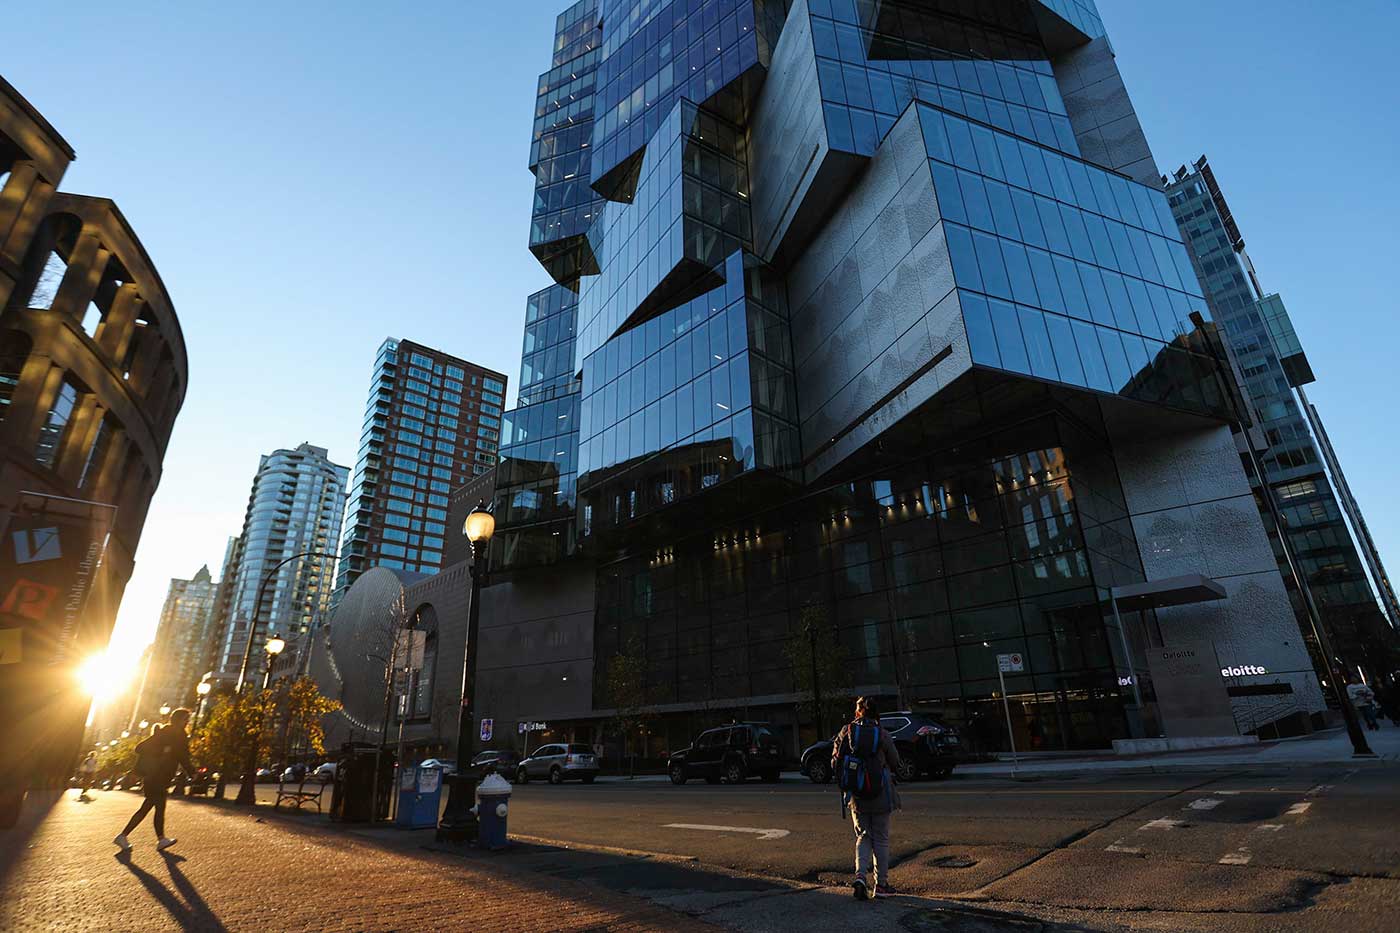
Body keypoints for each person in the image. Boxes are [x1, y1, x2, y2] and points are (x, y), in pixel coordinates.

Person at [831, 697, 902, 901]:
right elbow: (895, 760)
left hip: (857, 794)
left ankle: (861, 876)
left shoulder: (847, 731)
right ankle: (881, 885)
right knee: (880, 838)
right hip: (881, 793)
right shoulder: (882, 733)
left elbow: (835, 760)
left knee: (863, 835)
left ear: (858, 712)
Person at [114, 709, 195, 853]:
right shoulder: (176, 735)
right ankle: (158, 839)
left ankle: (127, 836)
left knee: (149, 807)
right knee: (157, 807)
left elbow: (141, 748)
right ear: (178, 719)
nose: (187, 721)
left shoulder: (164, 733)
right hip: (158, 777)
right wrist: (164, 751)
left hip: (155, 777)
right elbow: (183, 756)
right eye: (185, 719)